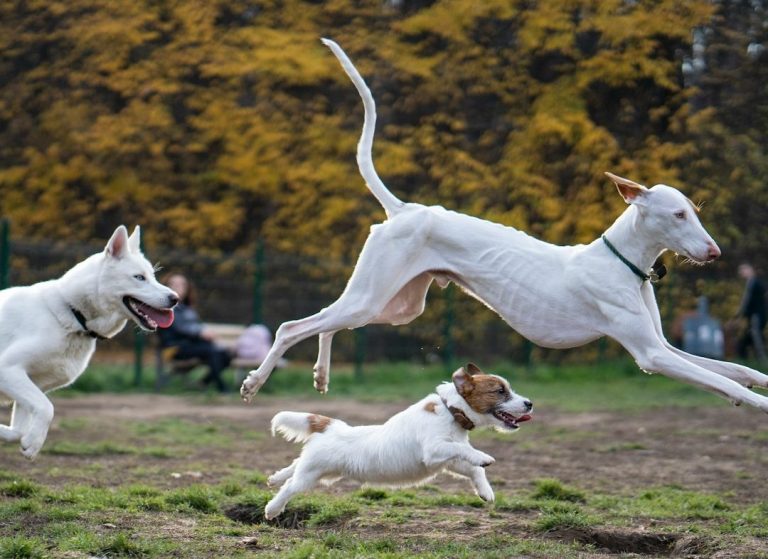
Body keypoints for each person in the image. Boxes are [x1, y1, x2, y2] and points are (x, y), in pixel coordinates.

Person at [158, 273, 231, 392]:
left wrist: (207, 334)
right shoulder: (164, 307)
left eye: (182, 284)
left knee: (225, 354)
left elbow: (196, 326)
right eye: (174, 284)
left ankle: (204, 382)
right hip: (174, 348)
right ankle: (222, 388)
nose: (178, 287)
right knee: (212, 351)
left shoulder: (188, 308)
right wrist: (200, 333)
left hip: (192, 345)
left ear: (187, 288)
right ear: (166, 286)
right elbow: (178, 327)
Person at [736, 263, 767, 362]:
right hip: (753, 316)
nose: (741, 272)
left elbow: (747, 301)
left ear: (750, 270)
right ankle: (746, 359)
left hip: (757, 315)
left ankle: (762, 360)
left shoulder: (756, 283)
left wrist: (740, 314)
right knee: (748, 337)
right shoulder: (751, 283)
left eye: (743, 269)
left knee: (756, 335)